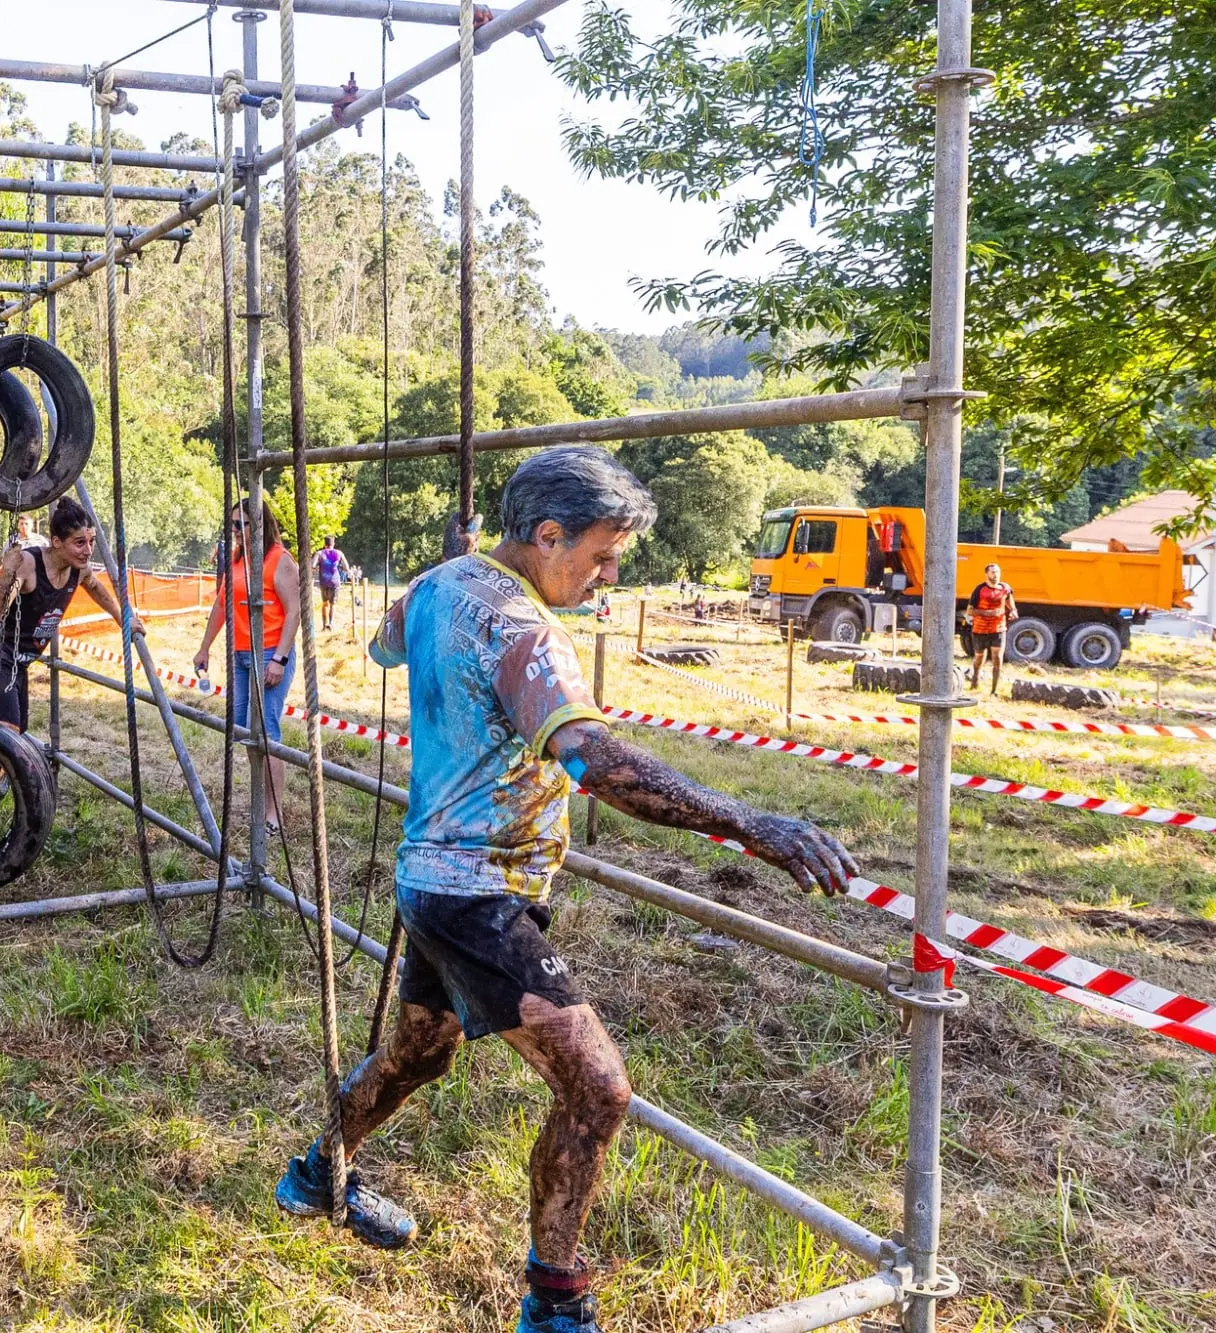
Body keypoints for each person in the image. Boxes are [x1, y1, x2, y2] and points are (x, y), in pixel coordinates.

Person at [271, 446, 857, 1333]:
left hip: (429, 878)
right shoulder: (523, 629)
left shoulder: (440, 585)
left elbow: (383, 643)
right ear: (546, 535)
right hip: (478, 894)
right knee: (598, 1088)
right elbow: (599, 761)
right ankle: (556, 1302)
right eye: (600, 554)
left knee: (420, 1053)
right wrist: (746, 821)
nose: (610, 575)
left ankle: (320, 1172)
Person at [0, 495, 138, 874]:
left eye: (91, 541)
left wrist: (124, 618)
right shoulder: (31, 565)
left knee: (4, 741)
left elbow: (97, 587)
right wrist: (6, 572)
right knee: (3, 736)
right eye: (79, 542)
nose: (88, 549)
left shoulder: (77, 570)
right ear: (57, 543)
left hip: (16, 664)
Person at [193, 501, 304, 833]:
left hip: (269, 653)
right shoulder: (238, 559)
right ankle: (259, 801)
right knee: (244, 728)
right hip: (241, 655)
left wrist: (279, 659)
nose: (235, 531)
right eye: (232, 525)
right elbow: (221, 604)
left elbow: (295, 612)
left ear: (259, 525)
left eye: (241, 524)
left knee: (267, 732)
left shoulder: (279, 561)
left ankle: (274, 814)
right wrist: (204, 647)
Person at [965, 562, 1018, 692]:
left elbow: (1009, 599)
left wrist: (1013, 610)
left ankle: (993, 690)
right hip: (980, 629)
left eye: (998, 572)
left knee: (997, 657)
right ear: (987, 574)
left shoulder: (1005, 588)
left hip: (998, 628)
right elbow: (970, 611)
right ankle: (975, 681)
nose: (996, 575)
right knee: (979, 657)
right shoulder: (979, 590)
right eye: (993, 572)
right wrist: (986, 613)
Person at [313, 534, 350, 630]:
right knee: (333, 604)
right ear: (333, 543)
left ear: (324, 543)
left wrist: (318, 566)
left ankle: (324, 626)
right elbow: (346, 568)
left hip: (323, 581)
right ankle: (331, 623)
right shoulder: (339, 553)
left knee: (325, 603)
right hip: (335, 581)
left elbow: (313, 565)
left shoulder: (319, 553)